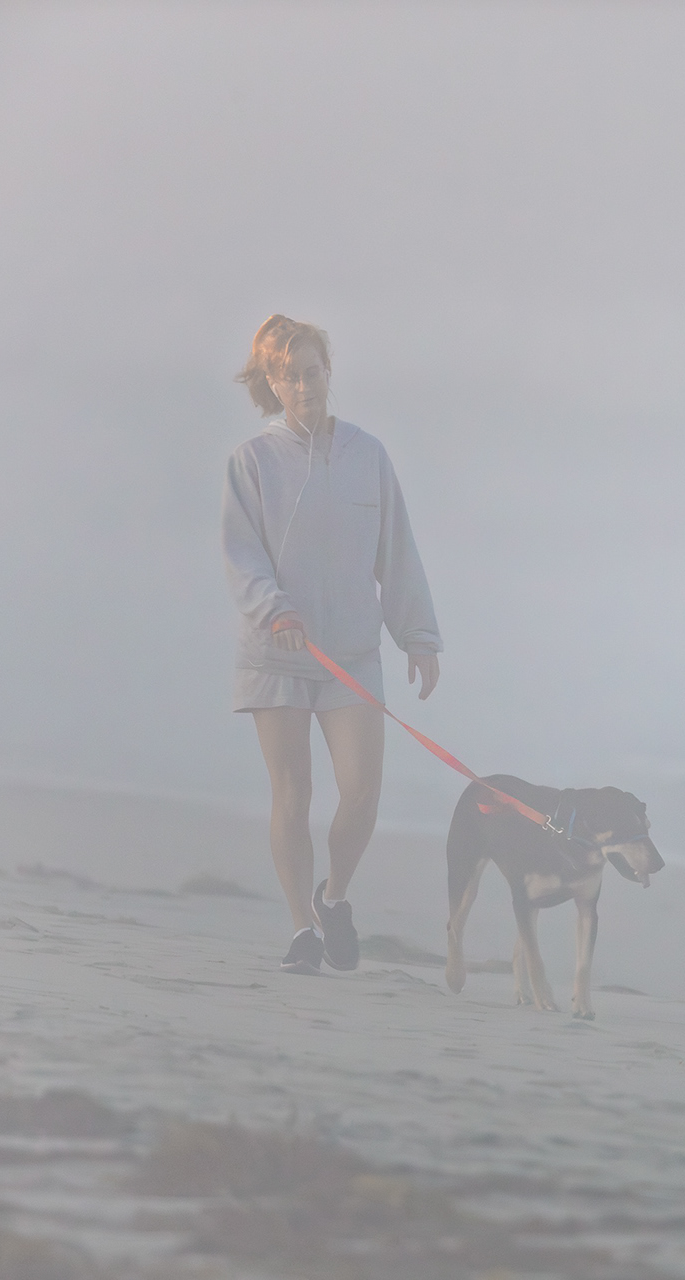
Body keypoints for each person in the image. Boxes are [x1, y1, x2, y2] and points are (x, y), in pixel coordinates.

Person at [222, 315, 442, 973]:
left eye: (313, 372)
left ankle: (334, 897)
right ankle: (301, 932)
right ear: (273, 383)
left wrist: (419, 635)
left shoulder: (368, 455)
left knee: (362, 791)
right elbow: (241, 555)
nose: (304, 385)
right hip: (276, 654)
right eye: (289, 376)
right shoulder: (252, 461)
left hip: (349, 655)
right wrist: (276, 610)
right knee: (292, 793)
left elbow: (395, 551)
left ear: (328, 373)